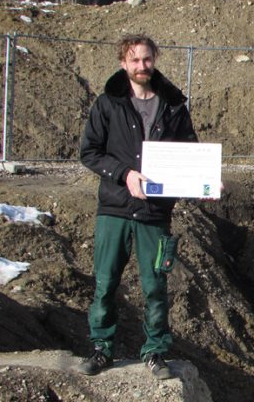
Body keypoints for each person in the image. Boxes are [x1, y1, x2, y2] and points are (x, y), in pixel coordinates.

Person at [77, 34, 197, 379]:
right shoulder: (108, 103)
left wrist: (203, 180)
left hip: (154, 213)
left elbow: (189, 151)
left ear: (154, 60)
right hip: (114, 208)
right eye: (134, 60)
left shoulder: (173, 106)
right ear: (123, 64)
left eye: (146, 59)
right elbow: (90, 152)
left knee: (155, 286)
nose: (141, 66)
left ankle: (156, 351)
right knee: (105, 282)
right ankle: (102, 348)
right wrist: (123, 174)